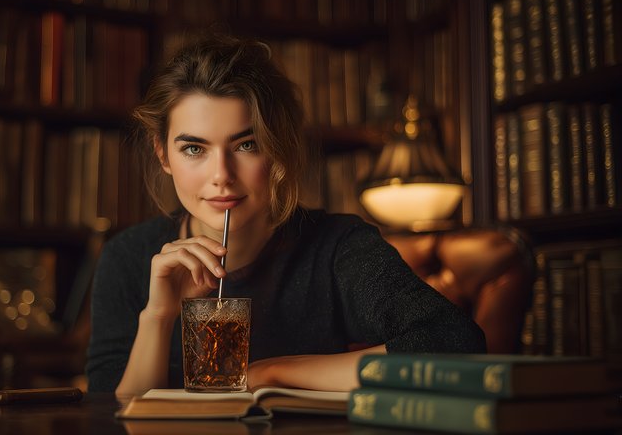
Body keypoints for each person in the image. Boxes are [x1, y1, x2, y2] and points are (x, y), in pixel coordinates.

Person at [86, 34, 485, 398]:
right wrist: (159, 315)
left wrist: (272, 373)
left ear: (276, 147)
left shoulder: (336, 246)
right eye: (195, 149)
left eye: (246, 145)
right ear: (163, 154)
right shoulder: (128, 257)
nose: (221, 175)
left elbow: (453, 341)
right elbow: (111, 414)